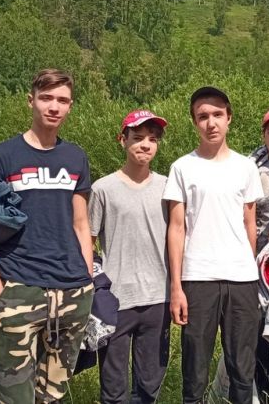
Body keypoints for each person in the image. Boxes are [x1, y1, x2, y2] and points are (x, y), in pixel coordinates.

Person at [0, 68, 94, 403]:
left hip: (72, 290)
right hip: (20, 286)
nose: (54, 106)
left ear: (70, 106)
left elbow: (81, 223)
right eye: (46, 98)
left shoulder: (76, 157)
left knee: (53, 395)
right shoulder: (1, 157)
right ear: (31, 101)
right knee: (15, 396)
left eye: (62, 100)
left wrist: (87, 279)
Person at [164, 86, 264, 404]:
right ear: (194, 122)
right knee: (195, 370)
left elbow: (250, 223)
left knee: (242, 369)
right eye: (203, 116)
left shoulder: (246, 167)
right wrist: (177, 287)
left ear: (229, 118)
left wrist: (247, 265)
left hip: (241, 280)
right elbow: (176, 228)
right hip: (198, 278)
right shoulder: (182, 167)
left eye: (217, 115)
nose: (211, 123)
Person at [211, 105, 269, 403]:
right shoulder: (250, 169)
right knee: (263, 340)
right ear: (264, 135)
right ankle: (266, 396)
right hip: (259, 270)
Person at [89, 109, 171, 404]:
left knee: (149, 384)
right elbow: (87, 239)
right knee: (113, 386)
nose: (145, 145)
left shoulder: (168, 187)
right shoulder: (103, 189)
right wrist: (93, 288)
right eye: (137, 138)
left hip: (158, 297)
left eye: (152, 139)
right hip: (116, 299)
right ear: (122, 140)